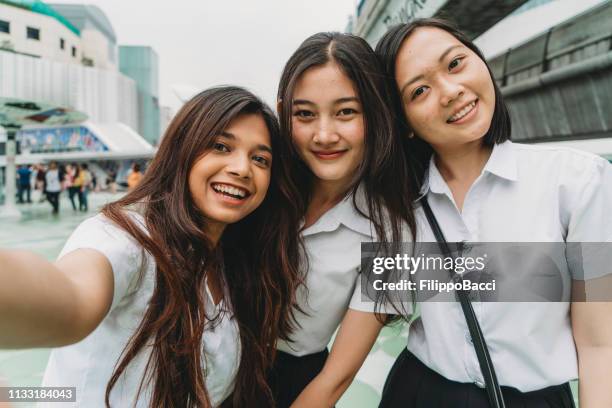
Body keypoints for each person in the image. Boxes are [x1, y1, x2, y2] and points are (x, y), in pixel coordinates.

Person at [0, 86, 301, 407]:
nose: (242, 168)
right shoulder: (128, 238)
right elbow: (75, 298)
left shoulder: (239, 261)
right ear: (182, 150)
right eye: (220, 146)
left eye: (260, 159)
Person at [375, 18, 612, 407]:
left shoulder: (581, 182)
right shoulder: (397, 205)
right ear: (404, 124)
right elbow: (384, 307)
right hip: (418, 391)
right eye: (420, 90)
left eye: (455, 64)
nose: (451, 91)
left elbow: (601, 344)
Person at [270, 32, 419, 408]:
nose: (324, 134)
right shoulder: (259, 184)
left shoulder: (392, 233)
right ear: (282, 113)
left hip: (292, 388)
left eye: (346, 112)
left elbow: (335, 379)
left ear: (377, 113)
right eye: (304, 114)